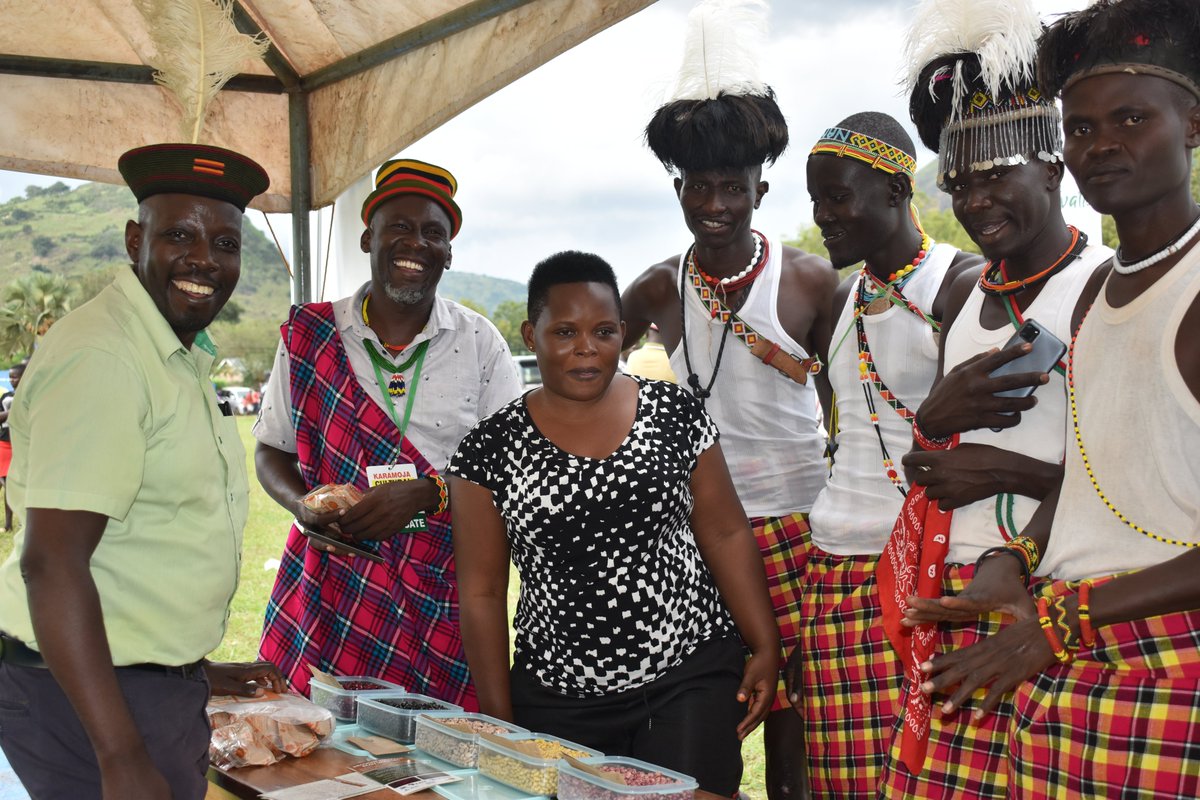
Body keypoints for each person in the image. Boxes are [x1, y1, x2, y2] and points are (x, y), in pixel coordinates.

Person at [908, 1, 1200, 796]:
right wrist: (1015, 559)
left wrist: (1065, 622)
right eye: (1081, 127)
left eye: (1132, 119)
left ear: (1193, 125)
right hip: (1065, 638)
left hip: (1167, 654)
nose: (1102, 144)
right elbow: (1095, 476)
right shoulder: (1094, 297)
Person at [873, 2, 1114, 796]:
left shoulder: (1102, 288)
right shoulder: (964, 293)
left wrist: (1009, 473)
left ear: (1051, 168)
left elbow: (1125, 472)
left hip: (1059, 593)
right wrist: (933, 429)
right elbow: (934, 459)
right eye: (960, 180)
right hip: (958, 590)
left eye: (997, 174)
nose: (975, 200)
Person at [0, 142, 285, 800]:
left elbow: (144, 543)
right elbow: (53, 564)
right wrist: (121, 755)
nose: (204, 261)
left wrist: (194, 668)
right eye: (180, 235)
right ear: (135, 240)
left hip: (139, 687)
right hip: (91, 707)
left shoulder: (173, 353)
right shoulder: (107, 357)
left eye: (225, 242)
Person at [447, 251, 779, 795]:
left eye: (603, 331)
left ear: (623, 334)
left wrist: (764, 644)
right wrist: (501, 721)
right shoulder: (488, 448)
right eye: (564, 331)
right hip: (558, 695)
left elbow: (725, 532)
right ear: (531, 336)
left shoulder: (675, 414)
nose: (586, 347)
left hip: (686, 673)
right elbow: (482, 592)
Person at [620, 3, 837, 793]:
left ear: (762, 185)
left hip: (805, 525)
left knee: (798, 721)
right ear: (679, 186)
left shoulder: (811, 281)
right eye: (699, 186)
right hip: (706, 532)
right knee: (711, 704)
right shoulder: (654, 287)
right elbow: (590, 378)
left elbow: (850, 403)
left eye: (733, 187)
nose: (715, 204)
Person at [254, 158, 522, 707]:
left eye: (433, 233)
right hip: (335, 581)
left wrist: (434, 492)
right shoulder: (311, 333)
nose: (415, 244)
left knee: (444, 753)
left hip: (444, 584)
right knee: (323, 754)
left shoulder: (478, 341)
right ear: (366, 237)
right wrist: (304, 503)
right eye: (398, 226)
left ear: (449, 251)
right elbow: (269, 450)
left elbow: (514, 465)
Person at [789, 111, 979, 798]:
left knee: (938, 779)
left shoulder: (961, 287)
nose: (823, 217)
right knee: (847, 784)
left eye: (837, 197)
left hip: (928, 576)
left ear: (899, 193)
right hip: (836, 576)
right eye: (815, 202)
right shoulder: (842, 301)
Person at [0, 359, 26, 531]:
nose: (11, 380)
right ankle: (8, 525)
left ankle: (13, 523)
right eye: (10, 377)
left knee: (12, 486)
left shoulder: (28, 397)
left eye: (15, 377)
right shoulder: (6, 397)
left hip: (19, 446)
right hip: (3, 444)